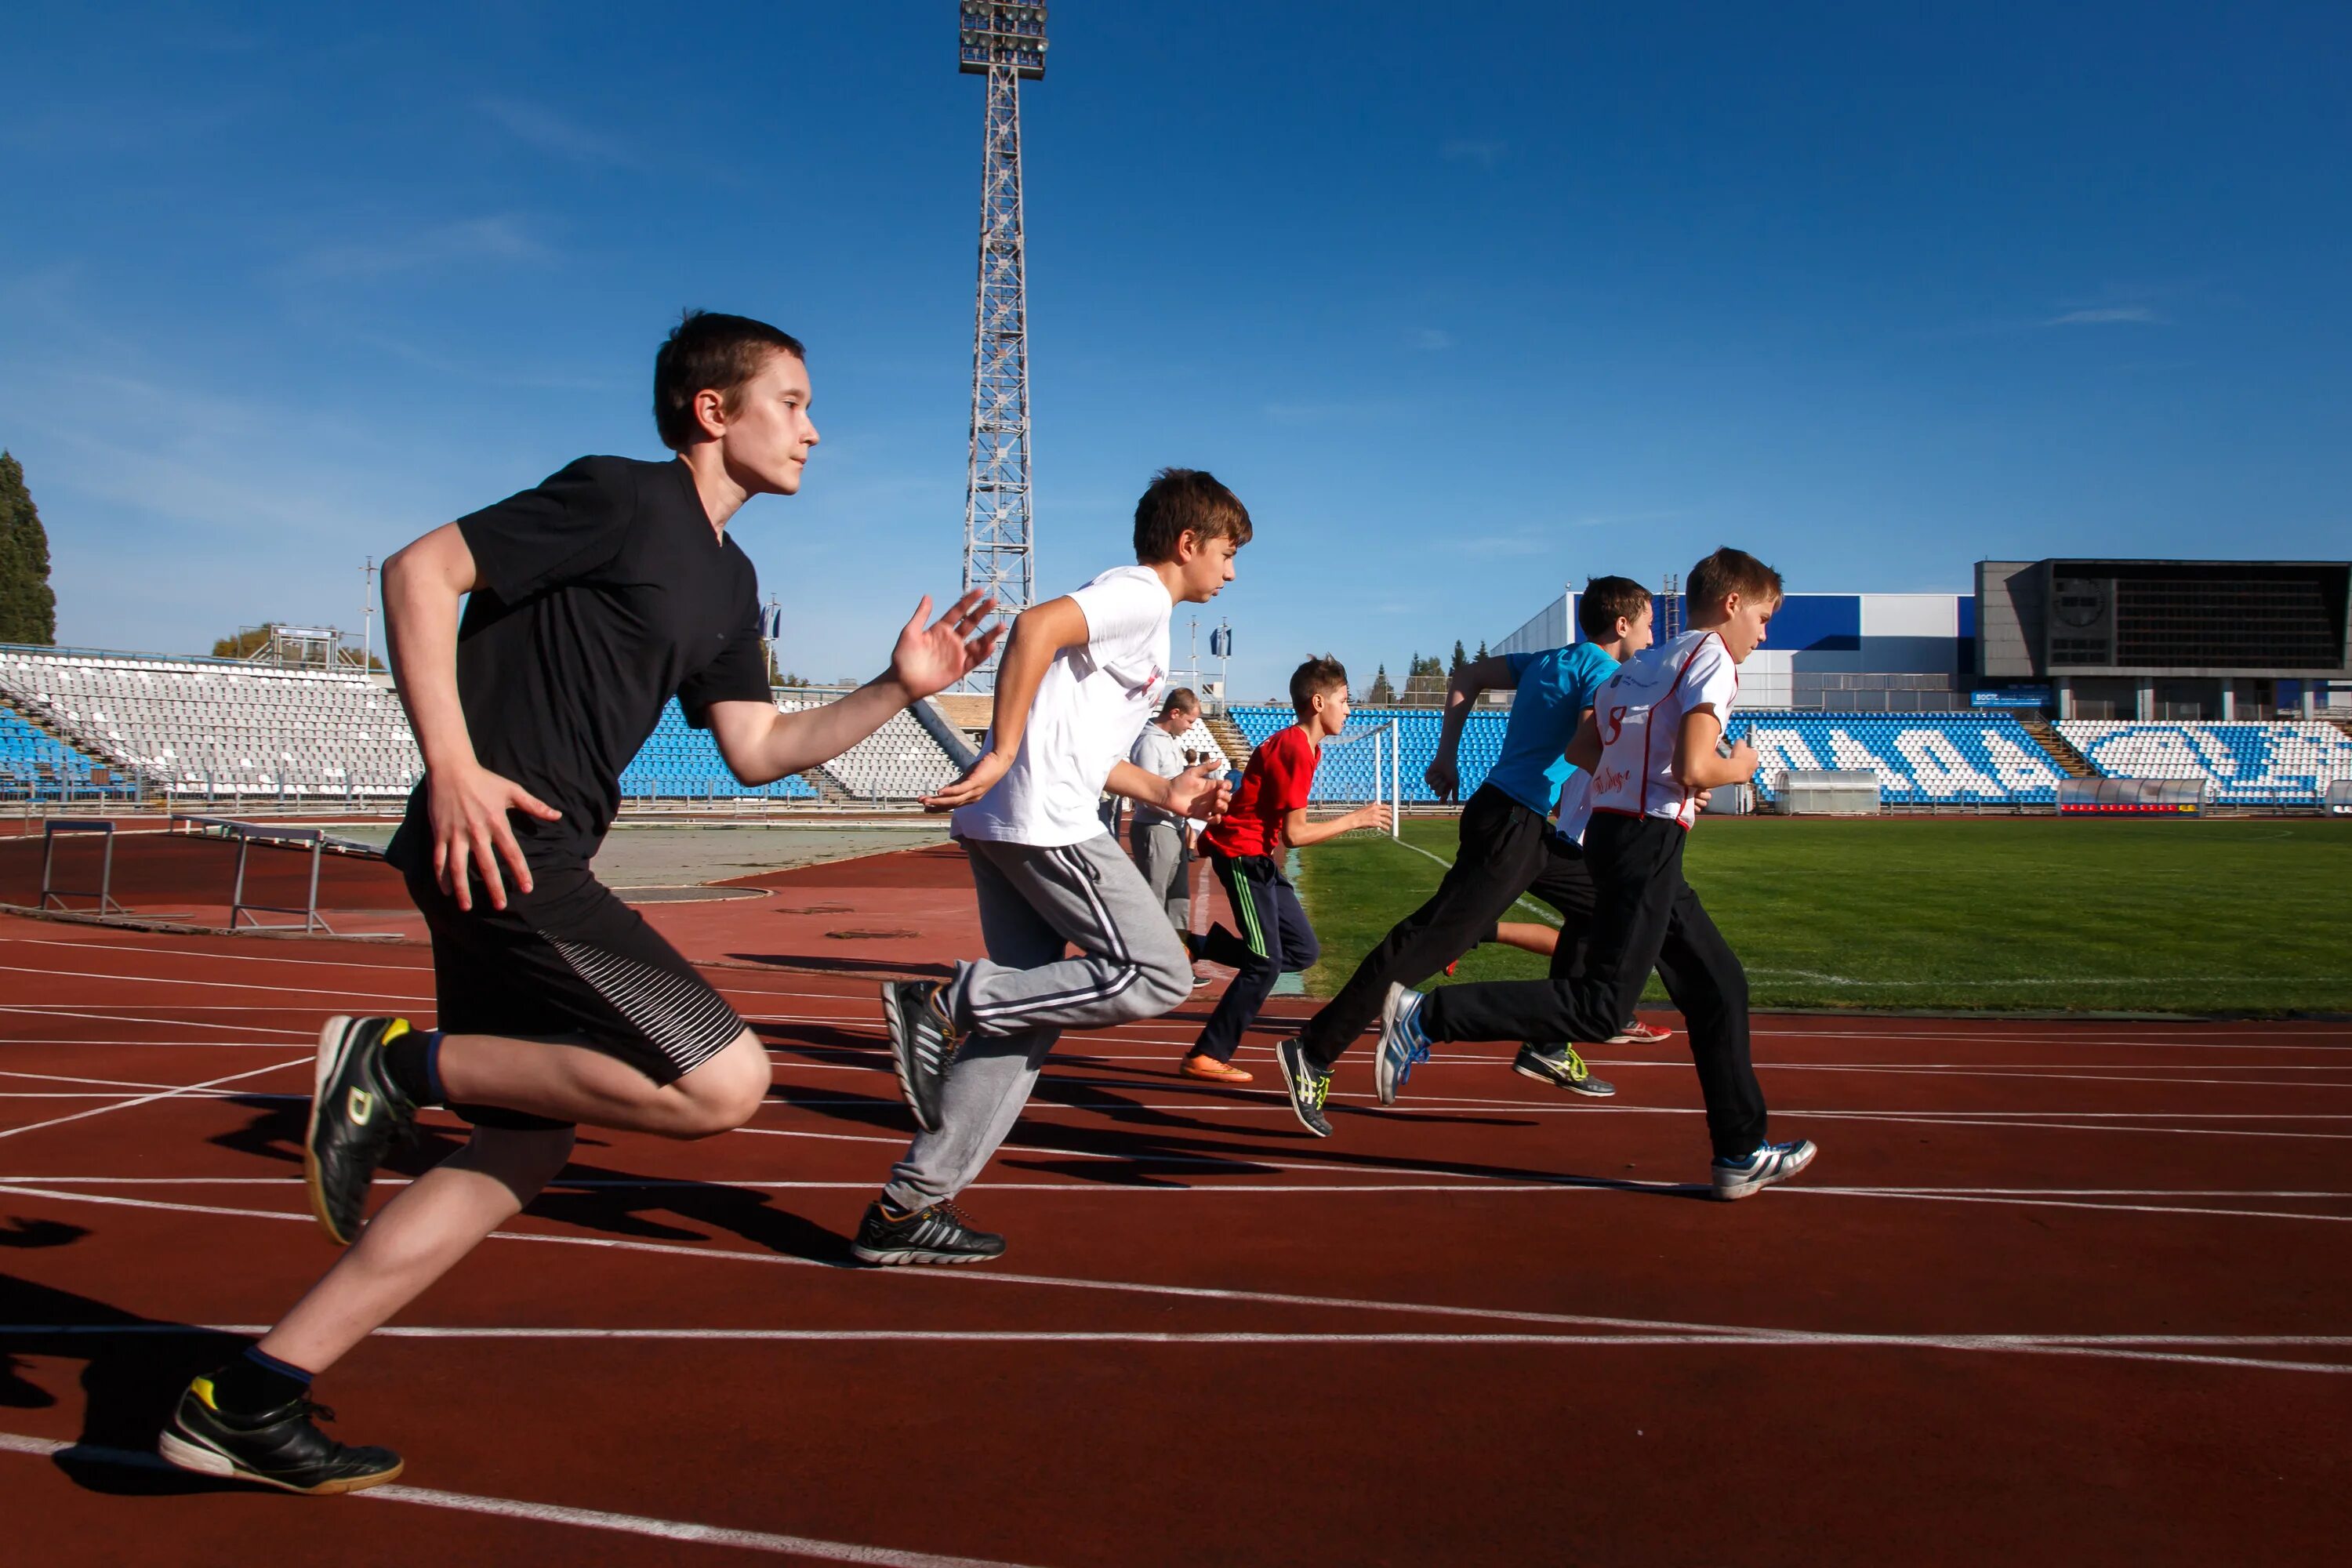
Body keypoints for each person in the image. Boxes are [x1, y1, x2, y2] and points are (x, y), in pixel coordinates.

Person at [158, 311, 1001, 1494]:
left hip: (535, 859)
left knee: (525, 1145)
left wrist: (893, 686)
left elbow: (757, 748)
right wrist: (449, 765)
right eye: (795, 402)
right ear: (714, 411)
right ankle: (397, 1068)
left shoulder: (731, 574)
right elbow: (421, 569)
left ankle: (247, 1398)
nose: (815, 430)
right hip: (512, 845)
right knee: (724, 1081)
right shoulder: (620, 496)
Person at [862, 469, 1244, 1265]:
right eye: (1228, 550)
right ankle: (946, 998)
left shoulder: (1142, 616)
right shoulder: (1140, 596)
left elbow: (1091, 749)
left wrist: (1169, 792)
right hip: (1045, 819)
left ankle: (908, 1205)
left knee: (1028, 1016)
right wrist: (1001, 748)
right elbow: (1034, 626)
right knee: (1159, 973)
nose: (1232, 570)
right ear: (1188, 544)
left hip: (1014, 821)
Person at [1370, 547, 1818, 1201]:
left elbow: (1582, 749)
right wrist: (1739, 766)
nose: (1764, 632)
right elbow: (1697, 768)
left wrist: (1641, 773)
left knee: (1719, 986)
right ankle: (1426, 1014)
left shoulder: (1648, 663)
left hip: (1617, 833)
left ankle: (1740, 1152)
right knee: (1603, 1005)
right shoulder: (1711, 659)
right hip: (1646, 840)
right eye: (1763, 616)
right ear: (1731, 605)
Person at [1275, 577, 1657, 1137]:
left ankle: (1549, 1043)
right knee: (1426, 942)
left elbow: (1469, 675)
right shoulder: (1600, 672)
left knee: (1602, 908)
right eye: (1648, 622)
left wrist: (1447, 753)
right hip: (1512, 825)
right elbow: (1587, 749)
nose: (1653, 634)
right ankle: (1313, 1049)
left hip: (1513, 818)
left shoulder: (1551, 659)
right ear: (1621, 625)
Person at [1181, 657, 1392, 1085]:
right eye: (1344, 700)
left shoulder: (1306, 748)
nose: (1349, 710)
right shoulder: (1295, 747)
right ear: (1318, 702)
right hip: (1241, 857)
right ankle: (1207, 1053)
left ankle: (1198, 944)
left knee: (1302, 952)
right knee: (1265, 962)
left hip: (1258, 858)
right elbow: (1294, 835)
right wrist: (1355, 819)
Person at [1128, 687, 1208, 982]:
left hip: (1173, 828)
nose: (1191, 728)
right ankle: (1143, 966)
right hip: (1155, 828)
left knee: (1178, 900)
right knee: (1154, 899)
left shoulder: (1169, 741)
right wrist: (1184, 810)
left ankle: (1178, 964)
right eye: (1189, 721)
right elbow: (1146, 792)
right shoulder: (1150, 742)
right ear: (1174, 713)